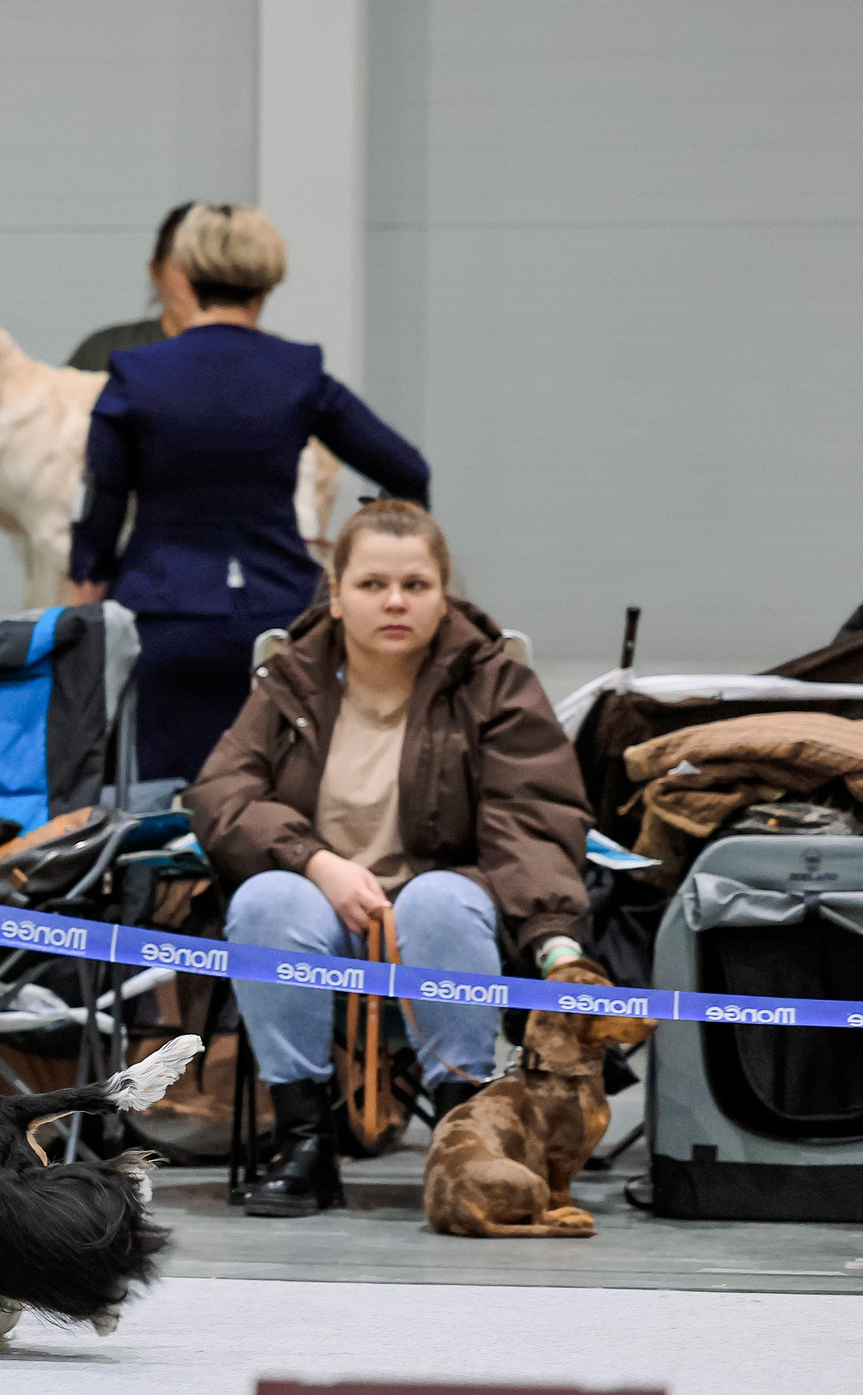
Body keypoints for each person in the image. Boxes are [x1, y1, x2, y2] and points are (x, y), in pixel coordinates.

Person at [185, 501, 592, 1217]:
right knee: (266, 901)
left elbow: (534, 816)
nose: (396, 601)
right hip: (327, 921)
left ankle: (465, 1135)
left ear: (444, 595)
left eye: (416, 584)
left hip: (452, 922)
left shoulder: (494, 682)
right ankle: (304, 1139)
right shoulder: (290, 680)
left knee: (437, 899)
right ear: (336, 596)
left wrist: (554, 939)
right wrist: (315, 862)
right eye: (372, 584)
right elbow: (222, 793)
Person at [68, 203, 431, 783]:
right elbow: (407, 470)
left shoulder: (135, 373)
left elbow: (98, 514)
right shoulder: (298, 371)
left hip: (163, 620)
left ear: (183, 273)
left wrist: (89, 582)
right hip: (280, 619)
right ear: (267, 282)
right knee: (277, 791)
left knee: (162, 801)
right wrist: (368, 553)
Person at [65, 201, 197, 372]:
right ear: (156, 272)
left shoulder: (240, 358)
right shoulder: (106, 352)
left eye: (213, 270)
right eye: (184, 263)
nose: (199, 280)